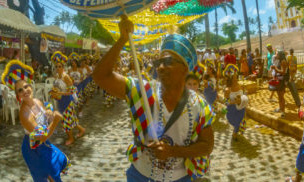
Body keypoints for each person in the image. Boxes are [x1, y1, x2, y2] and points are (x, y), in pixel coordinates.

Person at [92, 16, 215, 182]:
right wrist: (122, 39)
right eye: (160, 61)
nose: (161, 67)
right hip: (140, 175)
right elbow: (100, 76)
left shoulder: (200, 106)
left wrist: (173, 151)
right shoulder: (142, 91)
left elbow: (207, 145)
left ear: (185, 69)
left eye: (169, 61)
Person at [15, 79, 71, 182]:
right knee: (47, 173)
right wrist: (55, 122)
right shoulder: (24, 114)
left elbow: (47, 119)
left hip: (44, 143)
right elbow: (42, 136)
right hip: (33, 148)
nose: (25, 91)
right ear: (18, 96)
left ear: (31, 87)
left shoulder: (37, 101)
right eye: (20, 90)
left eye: (26, 86)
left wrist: (50, 113)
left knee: (52, 169)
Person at [50, 52, 86, 145]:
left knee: (66, 120)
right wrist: (53, 93)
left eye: (59, 66)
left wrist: (59, 93)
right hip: (60, 101)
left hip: (67, 101)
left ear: (63, 67)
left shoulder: (66, 77)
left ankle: (71, 138)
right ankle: (82, 130)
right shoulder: (58, 76)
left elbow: (72, 91)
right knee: (71, 119)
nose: (58, 68)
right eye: (56, 67)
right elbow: (57, 87)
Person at [224, 64, 248, 140]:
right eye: (234, 75)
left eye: (236, 75)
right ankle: (234, 133)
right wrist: (235, 102)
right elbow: (226, 102)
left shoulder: (240, 85)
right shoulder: (228, 90)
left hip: (241, 108)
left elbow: (243, 95)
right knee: (237, 122)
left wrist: (245, 95)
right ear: (231, 78)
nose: (236, 76)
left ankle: (236, 132)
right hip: (232, 110)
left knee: (241, 121)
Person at [271, 50, 288, 118]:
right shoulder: (279, 60)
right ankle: (280, 108)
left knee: (281, 96)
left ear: (280, 55)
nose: (276, 55)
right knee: (279, 95)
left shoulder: (283, 61)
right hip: (279, 80)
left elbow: (283, 72)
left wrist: (275, 68)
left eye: (277, 54)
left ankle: (283, 111)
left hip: (282, 81)